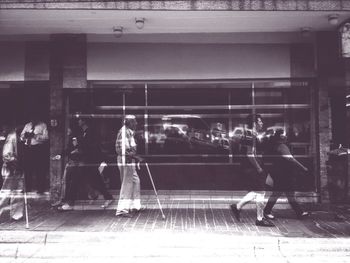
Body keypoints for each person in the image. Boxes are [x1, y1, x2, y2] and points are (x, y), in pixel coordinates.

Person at [230, 114, 274, 227]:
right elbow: (250, 154)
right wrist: (258, 168)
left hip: (251, 166)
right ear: (254, 123)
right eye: (260, 121)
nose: (262, 123)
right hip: (253, 167)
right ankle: (259, 219)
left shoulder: (249, 134)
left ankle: (238, 207)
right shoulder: (251, 135)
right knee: (261, 192)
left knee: (258, 191)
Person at [263, 129, 310, 220]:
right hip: (283, 174)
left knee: (285, 193)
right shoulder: (282, 146)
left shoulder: (275, 145)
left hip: (279, 173)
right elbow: (291, 159)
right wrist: (303, 167)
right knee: (280, 193)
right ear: (281, 136)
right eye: (284, 135)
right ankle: (267, 211)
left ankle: (299, 212)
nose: (286, 136)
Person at [115, 115, 145, 217]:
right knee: (126, 184)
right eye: (134, 122)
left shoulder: (129, 132)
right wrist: (136, 157)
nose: (136, 123)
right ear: (129, 123)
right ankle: (122, 210)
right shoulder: (124, 132)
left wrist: (135, 156)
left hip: (129, 159)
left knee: (136, 181)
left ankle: (135, 206)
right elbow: (124, 150)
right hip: (126, 160)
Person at [0, 126, 24, 221]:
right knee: (6, 191)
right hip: (11, 167)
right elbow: (7, 155)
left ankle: (17, 214)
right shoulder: (11, 137)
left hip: (18, 167)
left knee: (18, 191)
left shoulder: (18, 137)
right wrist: (14, 163)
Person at [20, 117, 49, 193]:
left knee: (39, 169)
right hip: (28, 148)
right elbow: (21, 136)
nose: (33, 120)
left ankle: (40, 189)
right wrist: (24, 136)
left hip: (38, 149)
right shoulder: (27, 125)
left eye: (34, 118)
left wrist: (35, 136)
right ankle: (27, 188)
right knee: (27, 169)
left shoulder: (43, 125)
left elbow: (46, 137)